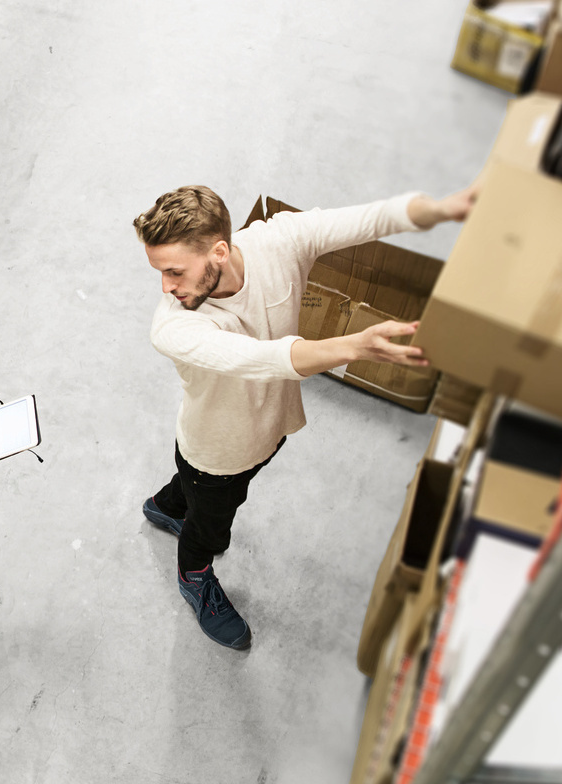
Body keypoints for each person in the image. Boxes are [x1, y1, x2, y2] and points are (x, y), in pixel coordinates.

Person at [132, 184, 477, 650]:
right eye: (160, 272)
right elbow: (266, 358)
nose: (166, 287)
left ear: (219, 251)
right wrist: (354, 346)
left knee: (198, 489)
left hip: (268, 427)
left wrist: (440, 208)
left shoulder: (278, 241)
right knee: (211, 524)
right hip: (220, 448)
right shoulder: (173, 326)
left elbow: (368, 218)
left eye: (174, 271)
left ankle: (165, 505)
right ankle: (193, 575)